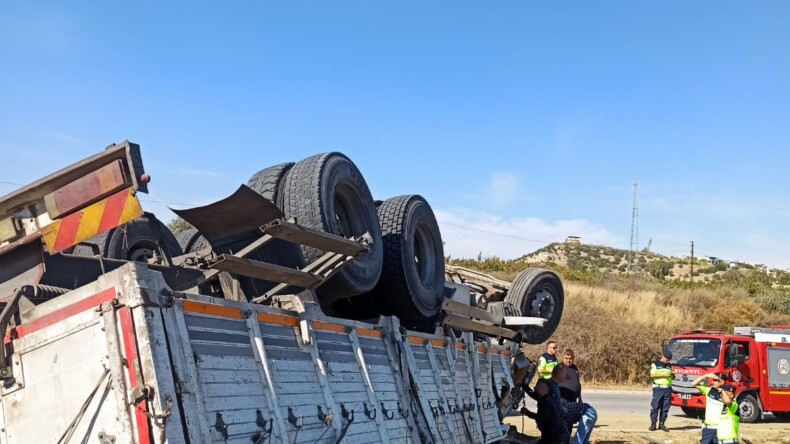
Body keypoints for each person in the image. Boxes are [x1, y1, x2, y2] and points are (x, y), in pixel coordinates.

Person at [552, 364, 597, 444]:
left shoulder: (560, 416)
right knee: (583, 442)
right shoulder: (560, 414)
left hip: (588, 413)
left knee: (577, 442)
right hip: (591, 411)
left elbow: (565, 435)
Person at [521, 378, 569, 444]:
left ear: (543, 388)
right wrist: (523, 385)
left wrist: (527, 413)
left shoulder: (546, 402)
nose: (534, 387)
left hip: (552, 439)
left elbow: (542, 417)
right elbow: (532, 394)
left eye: (537, 386)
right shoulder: (544, 398)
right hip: (551, 437)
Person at [691, 372, 728, 444]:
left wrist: (721, 388)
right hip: (708, 428)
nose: (713, 382)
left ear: (722, 381)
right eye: (712, 380)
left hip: (720, 428)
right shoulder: (709, 390)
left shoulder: (727, 393)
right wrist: (705, 375)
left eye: (715, 380)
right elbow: (693, 383)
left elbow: (729, 402)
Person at [649, 348, 673, 432]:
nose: (667, 361)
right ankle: (653, 424)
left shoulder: (669, 365)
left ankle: (662, 424)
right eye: (667, 359)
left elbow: (671, 375)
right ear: (663, 356)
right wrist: (664, 375)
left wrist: (672, 376)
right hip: (658, 388)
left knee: (665, 407)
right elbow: (652, 375)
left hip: (667, 388)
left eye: (669, 360)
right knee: (655, 406)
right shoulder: (655, 364)